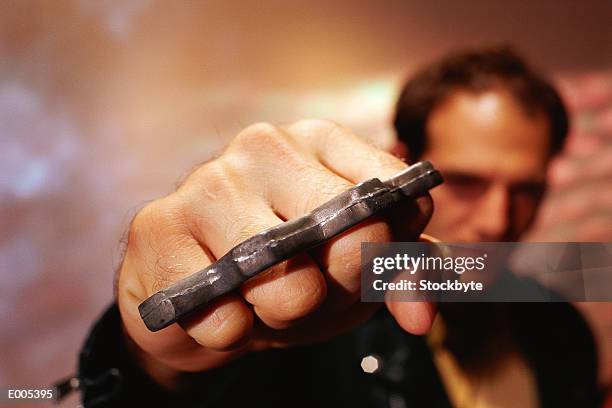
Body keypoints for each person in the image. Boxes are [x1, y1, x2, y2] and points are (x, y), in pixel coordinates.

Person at [75, 46, 601, 407]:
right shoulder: (315, 319)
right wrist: (158, 363)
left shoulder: (560, 325)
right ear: (402, 165)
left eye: (526, 189)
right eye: (464, 183)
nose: (497, 222)